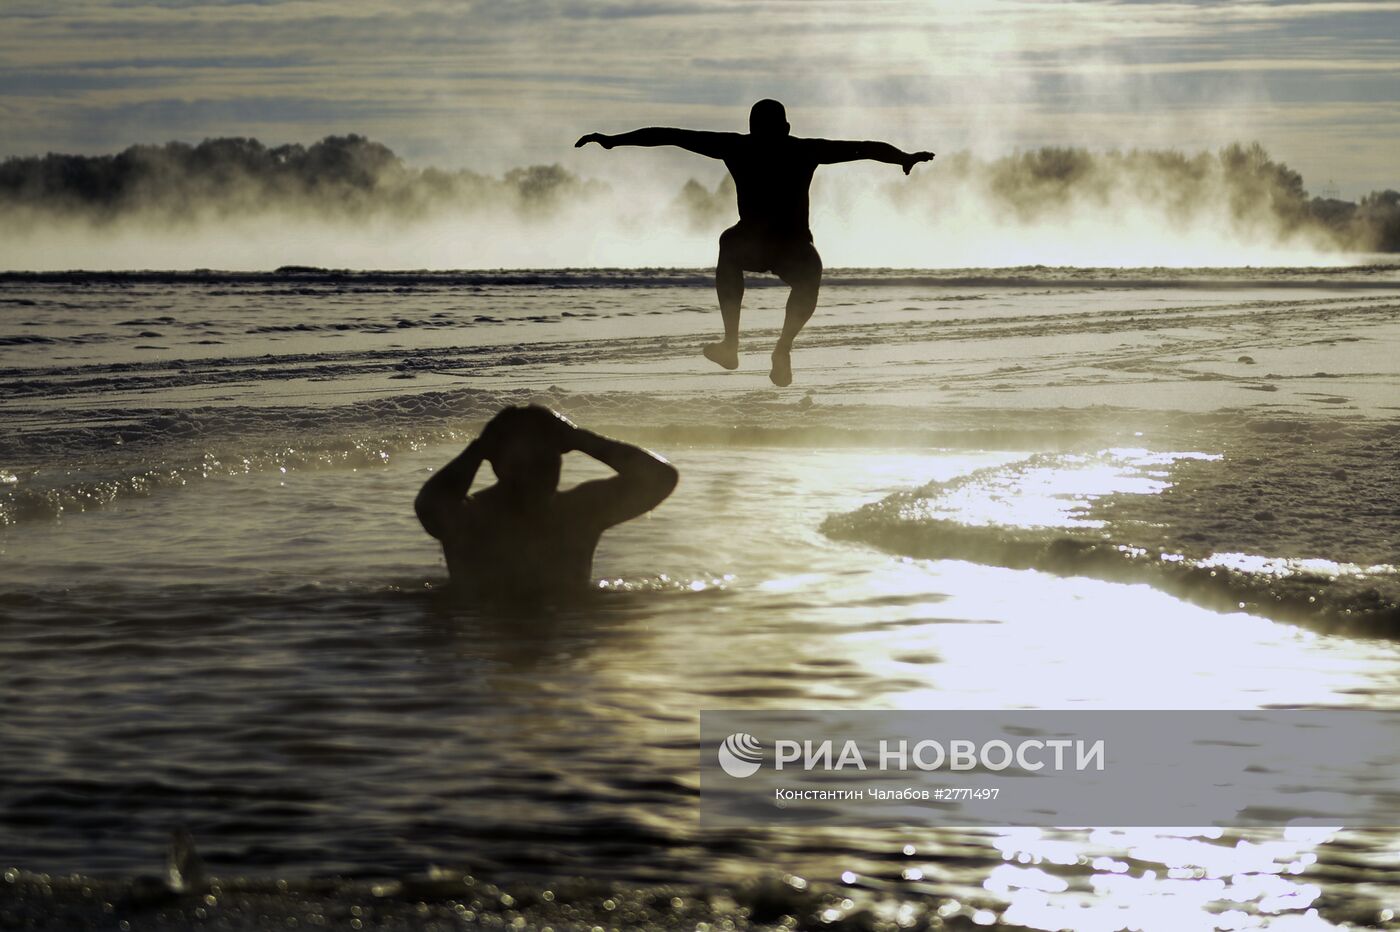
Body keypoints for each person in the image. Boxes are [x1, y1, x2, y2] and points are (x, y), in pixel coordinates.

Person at [576, 98, 933, 386]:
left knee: (742, 246)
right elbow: (866, 148)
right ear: (786, 128)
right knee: (760, 251)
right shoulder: (797, 149)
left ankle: (762, 347)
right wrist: (902, 157)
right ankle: (756, 347)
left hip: (775, 245)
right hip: (785, 247)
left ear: (757, 128)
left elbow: (670, 134)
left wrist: (613, 140)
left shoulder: (741, 146)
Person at [415, 405, 678, 598]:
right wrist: (480, 447)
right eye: (525, 463)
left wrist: (577, 437)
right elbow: (428, 505)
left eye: (547, 459)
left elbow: (661, 478)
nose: (539, 472)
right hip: (488, 633)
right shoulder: (469, 520)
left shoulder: (579, 514)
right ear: (498, 465)